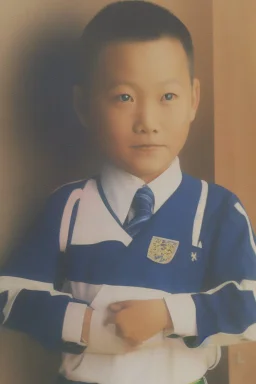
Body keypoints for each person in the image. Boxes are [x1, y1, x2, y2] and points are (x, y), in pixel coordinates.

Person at [1, 1, 256, 384]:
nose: (148, 123)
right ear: (84, 106)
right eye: (124, 97)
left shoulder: (219, 210)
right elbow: (9, 294)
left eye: (167, 97)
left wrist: (168, 315)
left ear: (193, 99)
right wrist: (84, 325)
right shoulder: (67, 207)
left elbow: (249, 305)